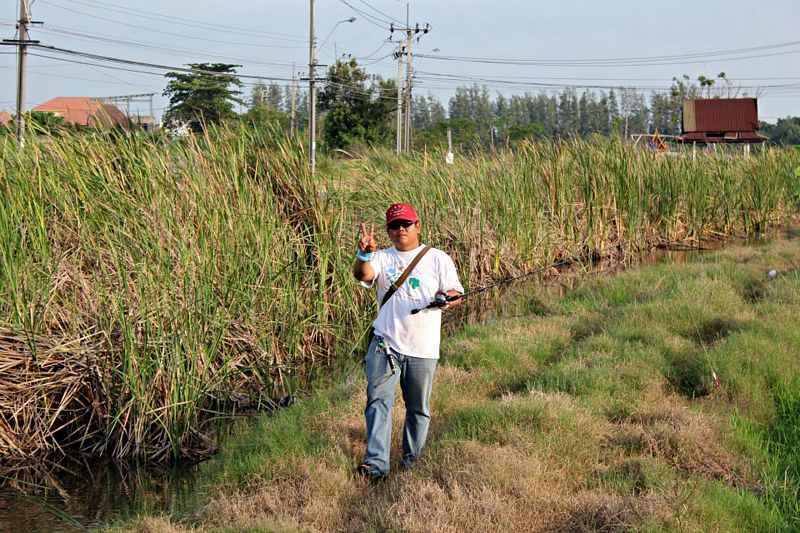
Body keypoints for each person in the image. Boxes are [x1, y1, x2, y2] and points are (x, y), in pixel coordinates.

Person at [353, 202, 463, 479]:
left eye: (405, 224)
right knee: (378, 400)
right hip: (384, 344)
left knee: (418, 408)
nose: (400, 229)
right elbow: (362, 275)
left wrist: (446, 298)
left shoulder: (438, 258)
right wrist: (364, 255)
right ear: (388, 230)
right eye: (394, 225)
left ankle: (412, 461)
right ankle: (376, 464)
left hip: (423, 347)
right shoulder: (380, 257)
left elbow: (455, 292)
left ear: (418, 226)